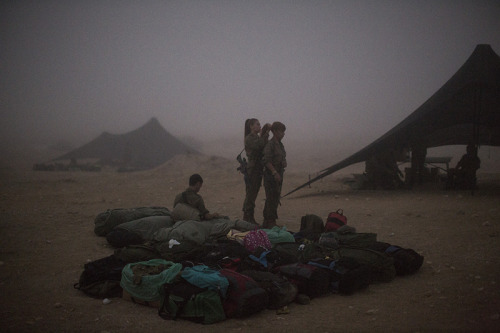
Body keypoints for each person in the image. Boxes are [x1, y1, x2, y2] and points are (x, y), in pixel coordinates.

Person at [242, 118, 271, 224]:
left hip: (257, 169)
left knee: (253, 193)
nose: (259, 126)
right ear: (251, 126)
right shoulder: (249, 138)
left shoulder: (256, 137)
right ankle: (247, 216)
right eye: (257, 124)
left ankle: (249, 217)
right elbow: (259, 145)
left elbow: (264, 146)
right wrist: (265, 133)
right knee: (251, 194)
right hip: (253, 169)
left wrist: (264, 134)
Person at [262, 121, 287, 228]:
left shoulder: (280, 145)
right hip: (271, 176)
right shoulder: (270, 144)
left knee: (275, 198)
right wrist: (274, 172)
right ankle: (270, 221)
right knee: (271, 198)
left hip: (279, 175)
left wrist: (283, 163)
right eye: (282, 132)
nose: (283, 134)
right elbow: (266, 160)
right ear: (275, 132)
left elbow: (281, 157)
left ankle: (269, 221)